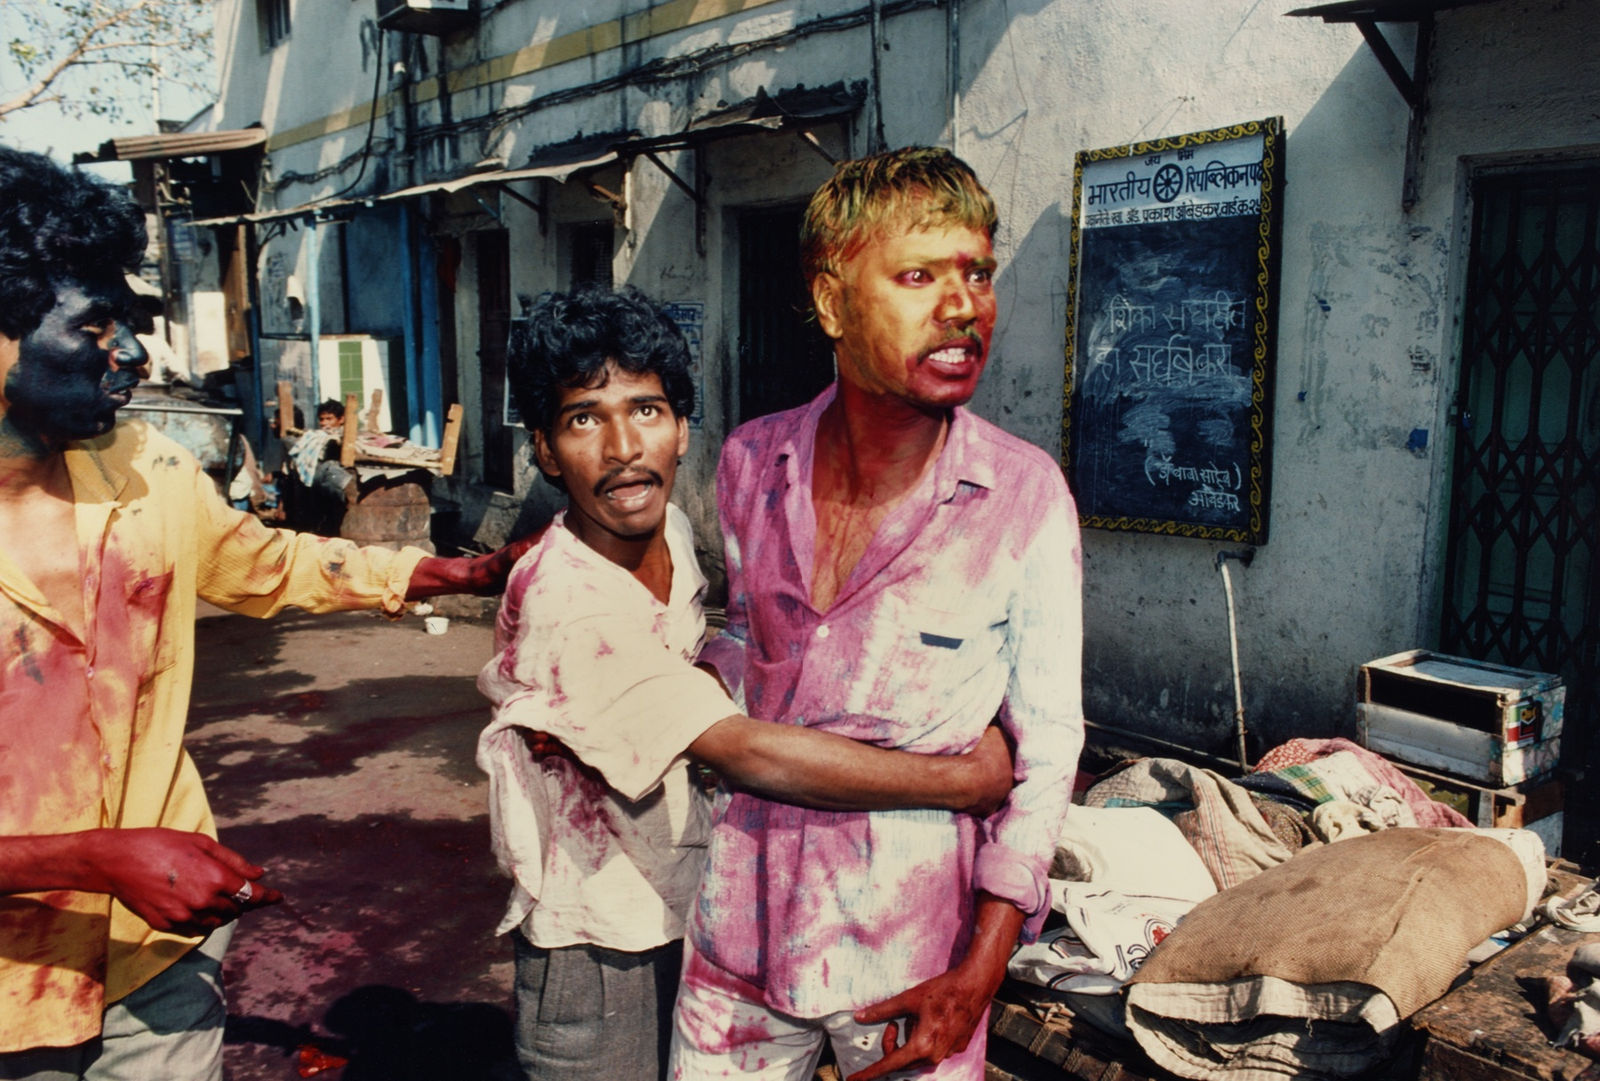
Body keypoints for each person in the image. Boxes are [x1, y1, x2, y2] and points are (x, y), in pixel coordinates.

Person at [0, 144, 529, 1081]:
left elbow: (266, 560)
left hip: (158, 950)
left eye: (131, 322)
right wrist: (89, 856)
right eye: (94, 328)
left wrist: (456, 573)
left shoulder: (149, 466)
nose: (132, 353)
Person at [475, 285, 1014, 1081]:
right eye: (585, 417)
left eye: (647, 410)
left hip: (690, 913)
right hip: (598, 950)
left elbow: (724, 650)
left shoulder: (673, 532)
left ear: (683, 427)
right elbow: (742, 751)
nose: (624, 445)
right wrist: (961, 779)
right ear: (548, 451)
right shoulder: (567, 600)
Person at [669, 146, 1085, 1080]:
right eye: (918, 275)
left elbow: (1049, 751)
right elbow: (741, 642)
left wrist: (980, 971)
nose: (963, 305)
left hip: (909, 958)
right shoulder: (750, 462)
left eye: (977, 273)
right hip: (741, 929)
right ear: (831, 302)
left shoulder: (1023, 496)